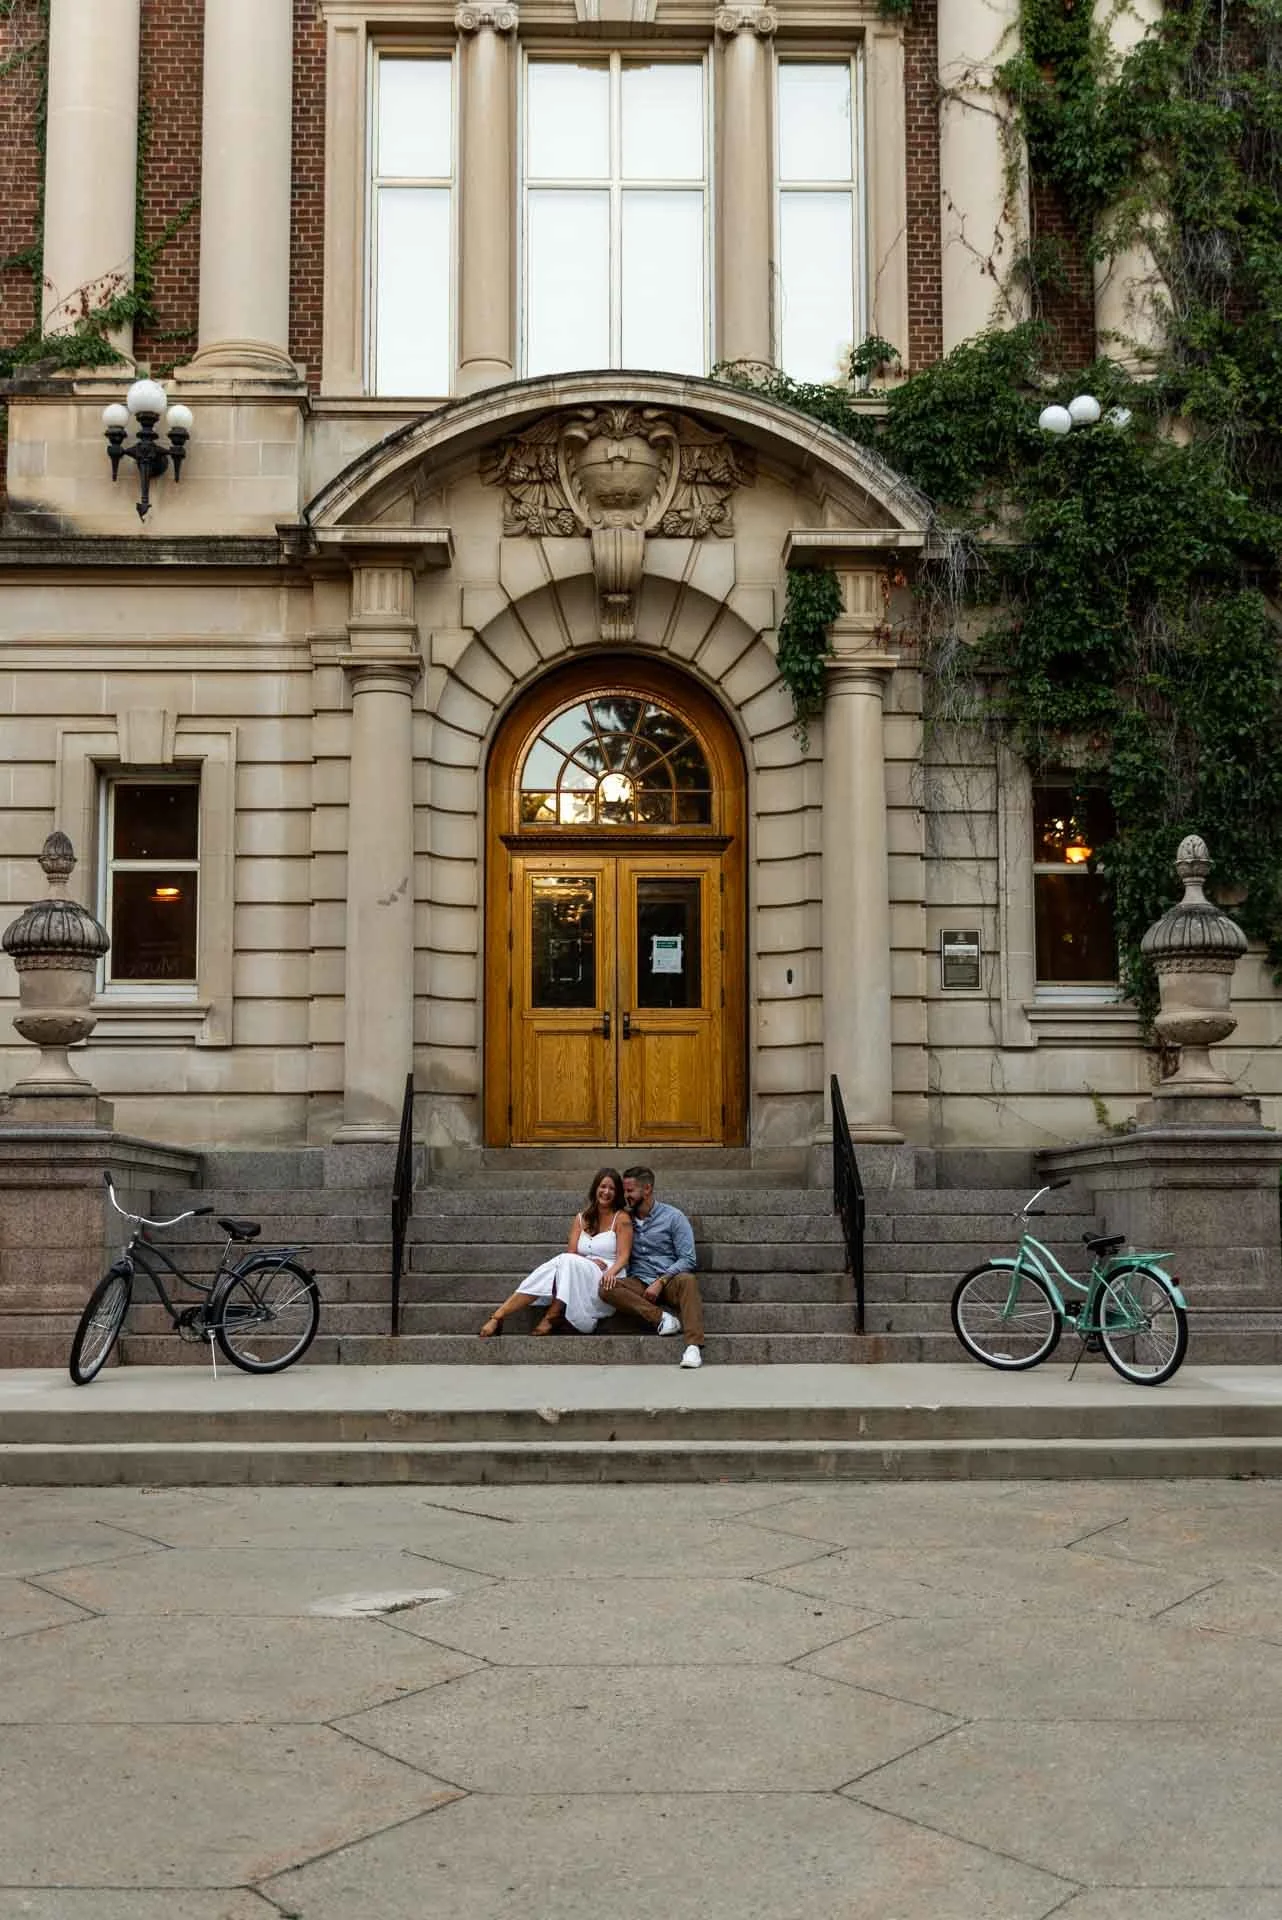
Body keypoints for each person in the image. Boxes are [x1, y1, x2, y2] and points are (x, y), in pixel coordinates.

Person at [478, 1167, 631, 1338]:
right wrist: (588, 1262)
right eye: (603, 1186)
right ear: (595, 1188)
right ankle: (500, 1316)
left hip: (607, 1276)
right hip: (578, 1269)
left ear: (617, 1193)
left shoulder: (622, 1218)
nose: (606, 1192)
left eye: (612, 1188)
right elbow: (572, 1252)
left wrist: (610, 1272)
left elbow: (624, 1256)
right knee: (561, 1264)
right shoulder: (581, 1218)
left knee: (564, 1262)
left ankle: (547, 1315)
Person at [600, 1165, 706, 1368]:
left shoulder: (674, 1217)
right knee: (607, 1287)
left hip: (670, 1280)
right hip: (639, 1281)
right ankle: (663, 1318)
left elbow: (688, 1259)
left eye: (630, 1191)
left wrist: (661, 1281)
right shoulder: (624, 1219)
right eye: (625, 1191)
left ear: (647, 1189)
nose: (626, 1196)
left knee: (689, 1280)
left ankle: (693, 1346)